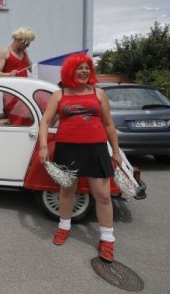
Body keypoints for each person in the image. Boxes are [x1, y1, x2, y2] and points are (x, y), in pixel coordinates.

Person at [37, 54, 122, 262]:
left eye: (87, 68)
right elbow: (45, 122)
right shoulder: (59, 94)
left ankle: (107, 239)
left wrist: (116, 150)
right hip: (68, 149)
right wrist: (43, 146)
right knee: (66, 191)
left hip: (96, 149)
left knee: (103, 195)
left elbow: (109, 124)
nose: (84, 71)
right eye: (79, 68)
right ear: (70, 71)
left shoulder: (99, 93)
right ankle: (64, 226)